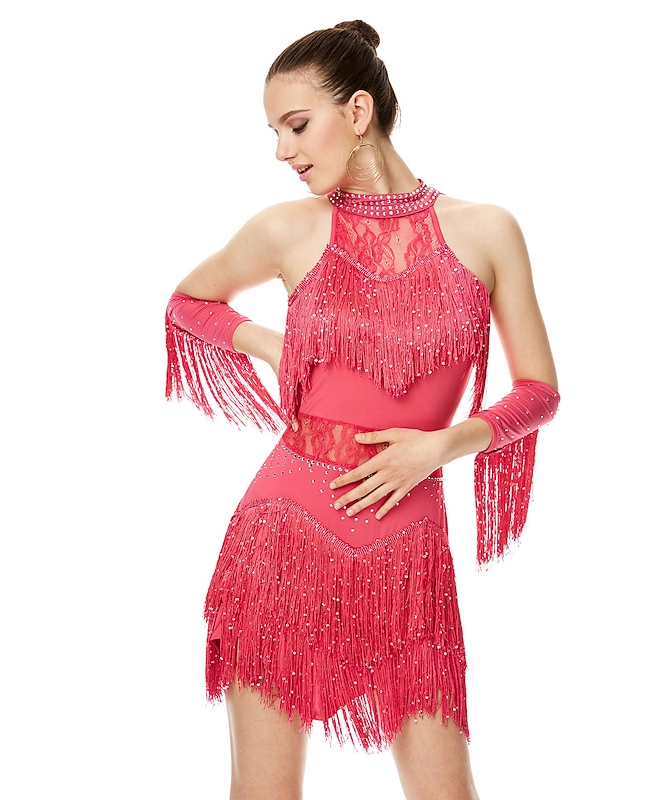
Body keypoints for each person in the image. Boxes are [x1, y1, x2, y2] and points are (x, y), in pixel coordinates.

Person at [165, 19, 559, 800]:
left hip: (411, 554)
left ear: (357, 111)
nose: (283, 150)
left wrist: (441, 446)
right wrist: (270, 343)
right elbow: (187, 303)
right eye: (274, 133)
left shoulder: (486, 230)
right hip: (283, 539)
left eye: (296, 124)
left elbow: (538, 391)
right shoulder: (287, 228)